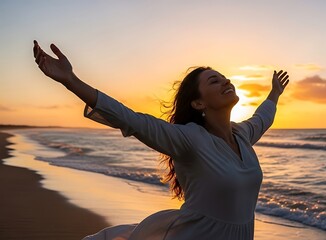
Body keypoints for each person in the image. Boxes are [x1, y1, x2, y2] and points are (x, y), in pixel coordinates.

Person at [33, 40, 289, 240]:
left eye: (225, 77)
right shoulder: (189, 138)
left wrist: (274, 93)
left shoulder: (242, 135)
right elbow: (131, 119)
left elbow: (263, 117)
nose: (226, 81)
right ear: (198, 102)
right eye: (215, 80)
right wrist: (71, 81)